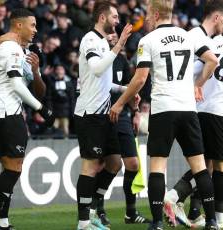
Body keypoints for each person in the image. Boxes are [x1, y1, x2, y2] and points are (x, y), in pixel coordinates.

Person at [109, 0, 219, 229]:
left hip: (163, 110)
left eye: (149, 14)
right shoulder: (190, 36)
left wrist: (119, 103)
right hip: (188, 109)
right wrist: (198, 84)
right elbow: (212, 61)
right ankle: (211, 221)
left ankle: (157, 222)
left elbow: (140, 79)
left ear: (157, 14)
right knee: (199, 166)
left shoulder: (147, 40)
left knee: (158, 167)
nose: (147, 18)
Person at [164, 9, 223, 229]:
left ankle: (185, 203)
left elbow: (199, 68)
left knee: (204, 162)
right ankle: (216, 214)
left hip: (197, 108)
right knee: (220, 164)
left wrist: (197, 86)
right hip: (220, 112)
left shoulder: (214, 42)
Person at [0, 9, 55, 230]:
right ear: (18, 25)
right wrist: (41, 109)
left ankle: (2, 221)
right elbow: (16, 84)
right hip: (7, 113)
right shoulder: (10, 47)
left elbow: (37, 88)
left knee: (9, 168)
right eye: (32, 24)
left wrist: (36, 71)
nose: (36, 29)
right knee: (14, 169)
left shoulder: (17, 50)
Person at [74, 1, 133, 229]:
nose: (117, 21)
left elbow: (105, 81)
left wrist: (125, 91)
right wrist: (118, 45)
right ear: (102, 18)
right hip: (90, 114)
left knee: (115, 162)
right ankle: (83, 222)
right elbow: (97, 69)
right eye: (115, 17)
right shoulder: (90, 39)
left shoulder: (101, 42)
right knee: (89, 166)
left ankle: (95, 203)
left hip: (104, 112)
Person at [94, 32, 150, 227]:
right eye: (109, 34)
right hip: (101, 116)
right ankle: (97, 207)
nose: (112, 37)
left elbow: (130, 86)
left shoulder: (121, 60)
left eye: (115, 35)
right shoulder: (96, 58)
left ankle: (130, 213)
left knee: (133, 164)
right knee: (109, 165)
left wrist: (135, 111)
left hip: (122, 117)